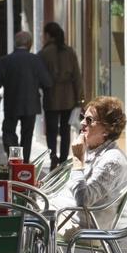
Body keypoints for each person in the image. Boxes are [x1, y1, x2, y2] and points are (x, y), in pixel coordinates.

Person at [51, 96, 127, 232]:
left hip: (83, 225)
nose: (82, 122)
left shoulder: (112, 161)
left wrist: (78, 161)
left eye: (89, 120)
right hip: (65, 214)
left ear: (107, 129)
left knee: (29, 219)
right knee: (26, 210)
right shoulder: (90, 150)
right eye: (83, 117)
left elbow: (84, 200)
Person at [0, 31, 52, 163]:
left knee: (9, 132)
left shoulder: (5, 61)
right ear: (29, 44)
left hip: (12, 104)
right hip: (31, 105)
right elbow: (47, 82)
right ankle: (24, 165)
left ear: (15, 44)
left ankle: (16, 159)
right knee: (27, 136)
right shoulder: (36, 61)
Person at [39, 22, 84, 170]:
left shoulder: (44, 53)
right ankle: (64, 160)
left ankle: (53, 156)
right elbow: (77, 76)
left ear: (48, 35)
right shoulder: (69, 51)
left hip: (51, 96)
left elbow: (40, 77)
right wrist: (79, 97)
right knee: (65, 130)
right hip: (68, 97)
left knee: (51, 130)